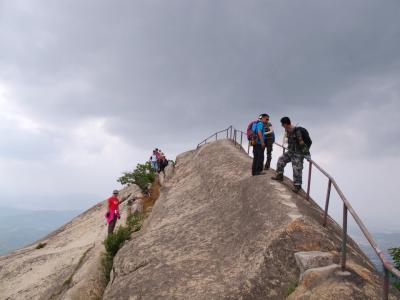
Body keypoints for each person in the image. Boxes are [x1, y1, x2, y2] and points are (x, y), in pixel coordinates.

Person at [271, 117, 311, 193]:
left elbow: (301, 142)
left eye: (282, 124)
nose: (282, 126)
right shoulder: (287, 130)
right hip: (291, 151)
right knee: (281, 160)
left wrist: (307, 154)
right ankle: (279, 176)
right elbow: (289, 140)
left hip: (298, 153)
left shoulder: (297, 131)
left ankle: (297, 186)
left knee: (296, 169)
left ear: (285, 124)